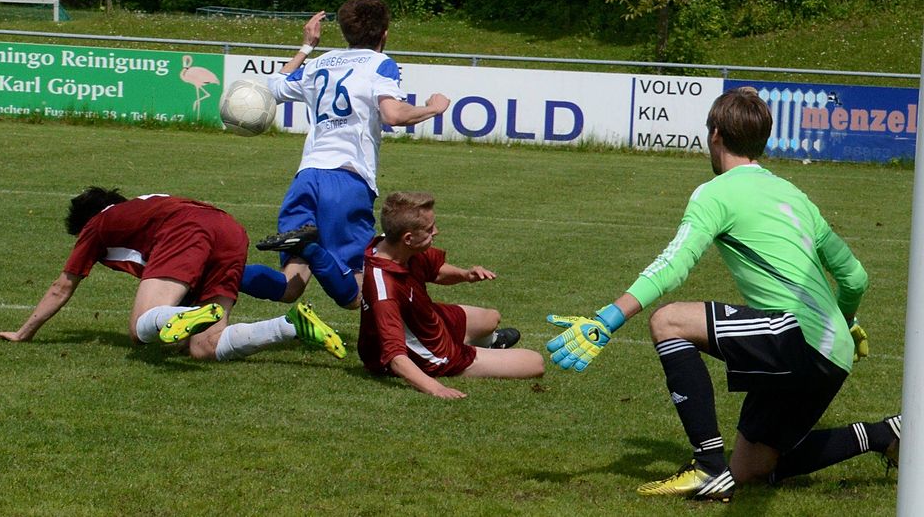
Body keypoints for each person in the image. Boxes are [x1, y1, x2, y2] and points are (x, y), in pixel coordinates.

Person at [546, 87, 900, 501]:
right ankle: (884, 433)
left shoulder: (715, 193)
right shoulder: (795, 196)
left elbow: (674, 263)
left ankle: (707, 467)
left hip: (792, 337)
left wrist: (609, 317)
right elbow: (854, 277)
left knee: (668, 321)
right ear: (762, 141)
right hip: (832, 353)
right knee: (752, 469)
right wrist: (843, 320)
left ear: (715, 135)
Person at [240, 0, 451, 322]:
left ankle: (219, 269)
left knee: (289, 286)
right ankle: (312, 249)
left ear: (345, 31)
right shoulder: (380, 64)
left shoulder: (320, 62)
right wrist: (433, 108)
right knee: (355, 294)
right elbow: (393, 114)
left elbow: (277, 86)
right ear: (384, 34)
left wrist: (306, 46)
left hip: (307, 178)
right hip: (347, 180)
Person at [0, 187, 345, 361]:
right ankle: (289, 326)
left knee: (139, 329)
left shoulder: (98, 224)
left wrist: (25, 332)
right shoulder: (144, 206)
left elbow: (62, 286)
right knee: (203, 347)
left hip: (187, 230)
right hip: (229, 228)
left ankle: (186, 315)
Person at [357, 191, 545, 399]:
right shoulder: (385, 291)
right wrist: (436, 388)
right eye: (429, 229)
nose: (436, 232)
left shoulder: (390, 243)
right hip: (433, 352)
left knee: (492, 317)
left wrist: (466, 275)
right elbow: (395, 357)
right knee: (536, 362)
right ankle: (475, 353)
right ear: (408, 238)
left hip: (429, 320)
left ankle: (482, 346)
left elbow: (435, 270)